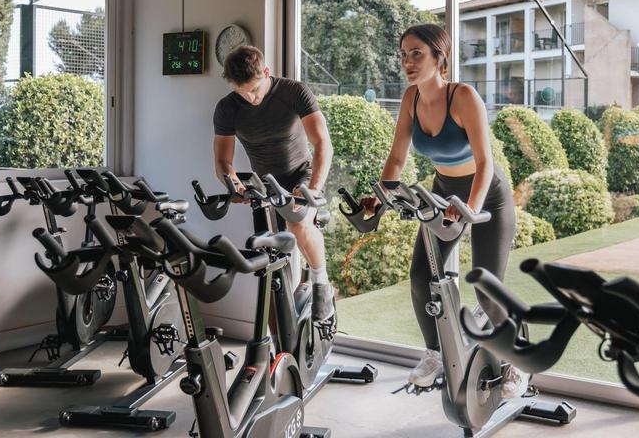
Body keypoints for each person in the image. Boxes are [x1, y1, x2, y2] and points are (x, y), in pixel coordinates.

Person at [360, 24, 525, 398]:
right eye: (403, 54)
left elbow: (485, 163)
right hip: (444, 192)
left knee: (486, 290)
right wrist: (381, 201)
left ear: (440, 56)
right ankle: (435, 354)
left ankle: (516, 364)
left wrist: (470, 209)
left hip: (487, 196)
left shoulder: (463, 97)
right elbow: (397, 157)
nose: (407, 62)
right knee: (422, 278)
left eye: (416, 53)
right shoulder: (410, 100)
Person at [213, 45, 335, 320]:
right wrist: (233, 185)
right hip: (265, 186)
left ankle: (321, 282)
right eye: (241, 91)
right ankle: (277, 346)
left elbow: (322, 143)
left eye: (254, 89)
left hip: (301, 175)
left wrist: (312, 189)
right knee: (268, 263)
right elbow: (222, 162)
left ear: (266, 72)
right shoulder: (227, 108)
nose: (250, 98)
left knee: (297, 221)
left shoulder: (294, 92)